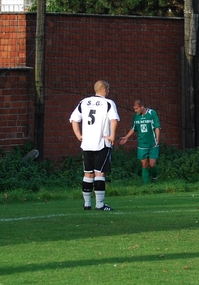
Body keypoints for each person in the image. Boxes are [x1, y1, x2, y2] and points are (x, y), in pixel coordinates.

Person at [69, 80, 120, 211]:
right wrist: (112, 135)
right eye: (108, 90)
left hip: (86, 144)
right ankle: (100, 204)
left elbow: (74, 119)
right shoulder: (108, 103)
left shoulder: (84, 102)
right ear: (105, 90)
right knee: (99, 173)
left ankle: (87, 204)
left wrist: (79, 136)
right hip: (101, 143)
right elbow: (114, 119)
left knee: (88, 173)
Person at [119, 99, 161, 184]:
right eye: (134, 109)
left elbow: (157, 126)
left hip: (153, 143)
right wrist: (126, 137)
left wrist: (157, 138)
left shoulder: (152, 113)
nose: (135, 110)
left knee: (152, 165)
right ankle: (146, 186)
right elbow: (133, 128)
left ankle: (155, 179)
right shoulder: (136, 116)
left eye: (137, 108)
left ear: (142, 107)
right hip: (142, 144)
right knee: (144, 165)